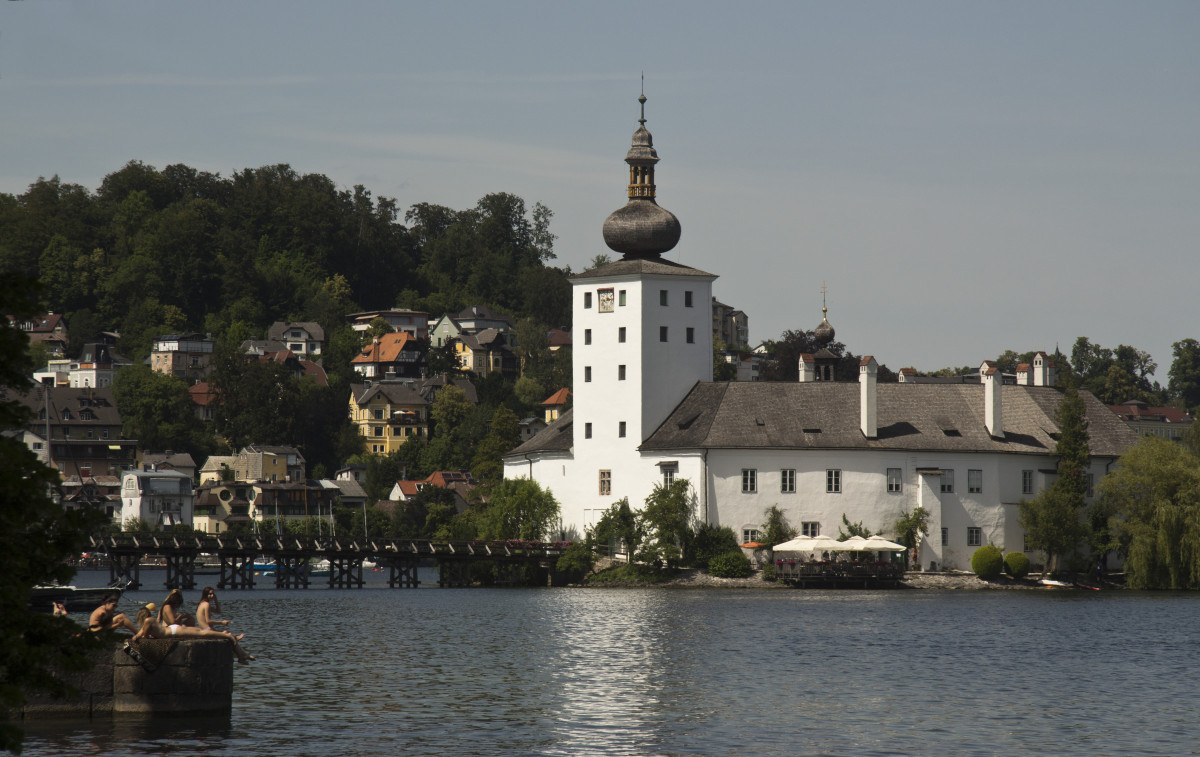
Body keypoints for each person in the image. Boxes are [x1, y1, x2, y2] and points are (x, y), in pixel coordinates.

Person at [132, 603, 254, 664]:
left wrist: (139, 637)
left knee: (203, 634)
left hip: (174, 631)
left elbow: (142, 636)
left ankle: (227, 636)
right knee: (203, 632)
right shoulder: (150, 621)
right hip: (174, 629)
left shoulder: (147, 622)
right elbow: (141, 634)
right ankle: (240, 653)